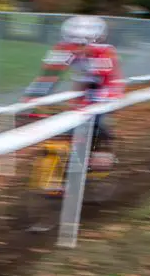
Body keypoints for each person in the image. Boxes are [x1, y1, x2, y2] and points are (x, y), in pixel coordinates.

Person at [23, 14, 125, 176]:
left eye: (81, 43)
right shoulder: (63, 49)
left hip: (106, 90)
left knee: (93, 124)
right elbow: (48, 76)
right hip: (84, 87)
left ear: (96, 40)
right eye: (72, 42)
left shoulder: (105, 53)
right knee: (71, 120)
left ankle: (100, 149)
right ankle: (73, 159)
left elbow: (97, 83)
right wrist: (30, 101)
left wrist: (85, 108)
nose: (76, 47)